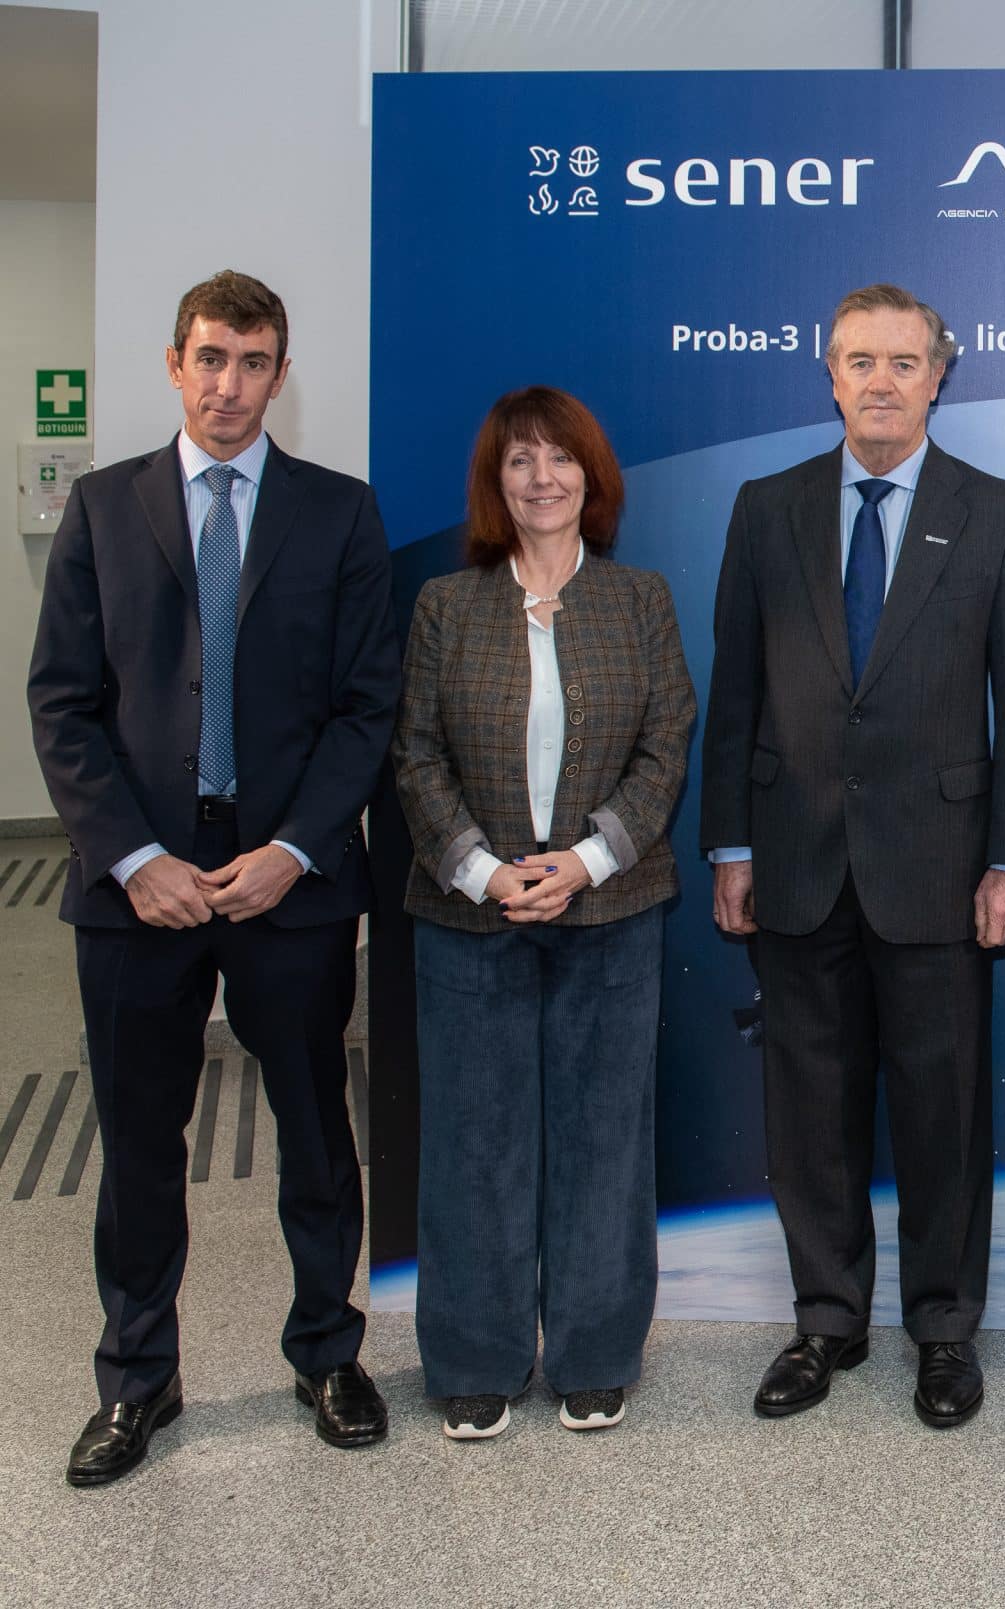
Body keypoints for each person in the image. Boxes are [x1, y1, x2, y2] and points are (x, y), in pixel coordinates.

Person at [30, 270, 400, 1484]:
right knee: (140, 1140)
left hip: (288, 877)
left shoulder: (341, 515)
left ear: (281, 374)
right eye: (209, 358)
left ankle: (326, 1352)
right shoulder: (99, 508)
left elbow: (364, 709)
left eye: (252, 362)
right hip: (138, 885)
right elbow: (65, 706)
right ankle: (139, 1378)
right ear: (173, 363)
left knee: (312, 1131)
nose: (229, 385)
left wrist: (292, 848)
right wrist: (135, 860)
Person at [702, 283, 1005, 1430]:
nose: (881, 381)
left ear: (939, 376)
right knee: (810, 1109)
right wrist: (733, 844)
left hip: (944, 867)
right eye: (859, 360)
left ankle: (945, 1330)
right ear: (829, 372)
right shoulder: (768, 508)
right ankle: (826, 1320)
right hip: (798, 859)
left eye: (904, 362)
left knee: (944, 1111)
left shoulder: (996, 511)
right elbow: (737, 693)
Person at [394, 386, 697, 1441]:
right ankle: (475, 1359)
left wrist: (583, 860)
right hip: (471, 914)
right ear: (496, 482)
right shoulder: (444, 604)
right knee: (474, 1141)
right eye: (519, 460)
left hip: (610, 910)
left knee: (604, 1136)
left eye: (559, 458)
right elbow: (415, 754)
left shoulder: (640, 599)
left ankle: (594, 1353)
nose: (541, 478)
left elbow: (667, 746)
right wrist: (482, 870)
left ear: (591, 476)